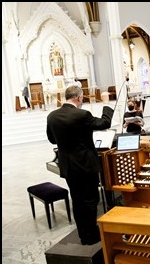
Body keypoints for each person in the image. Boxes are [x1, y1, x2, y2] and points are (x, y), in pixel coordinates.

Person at [46, 85, 114, 245]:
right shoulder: (82, 114)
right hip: (85, 166)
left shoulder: (52, 116)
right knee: (90, 200)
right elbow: (104, 123)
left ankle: (83, 233)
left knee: (77, 200)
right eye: (82, 98)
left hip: (68, 167)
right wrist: (106, 103)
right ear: (78, 98)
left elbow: (52, 140)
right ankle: (90, 236)